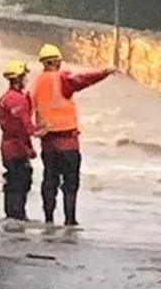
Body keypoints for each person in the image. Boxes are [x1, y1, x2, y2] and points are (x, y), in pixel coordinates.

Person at [30, 44, 114, 226]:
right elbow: (82, 80)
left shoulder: (37, 83)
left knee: (49, 180)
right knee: (70, 183)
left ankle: (49, 219)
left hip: (48, 142)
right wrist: (104, 73)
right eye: (58, 61)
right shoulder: (61, 78)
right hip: (67, 142)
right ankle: (70, 219)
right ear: (53, 61)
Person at [0, 60, 40, 221]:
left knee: (15, 180)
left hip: (12, 147)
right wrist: (42, 131)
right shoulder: (15, 99)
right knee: (19, 181)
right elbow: (25, 126)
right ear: (17, 79)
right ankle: (16, 216)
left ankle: (13, 216)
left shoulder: (9, 98)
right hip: (15, 148)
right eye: (23, 77)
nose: (25, 80)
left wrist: (29, 147)